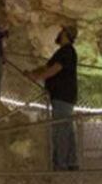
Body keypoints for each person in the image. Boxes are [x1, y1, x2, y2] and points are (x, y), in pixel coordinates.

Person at [30, 25, 79, 171]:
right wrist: (33, 73)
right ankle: (71, 162)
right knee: (67, 128)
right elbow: (47, 67)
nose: (59, 33)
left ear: (66, 34)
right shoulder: (65, 52)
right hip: (66, 95)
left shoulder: (67, 50)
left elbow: (55, 68)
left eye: (62, 31)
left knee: (60, 129)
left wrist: (38, 77)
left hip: (62, 95)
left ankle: (61, 164)